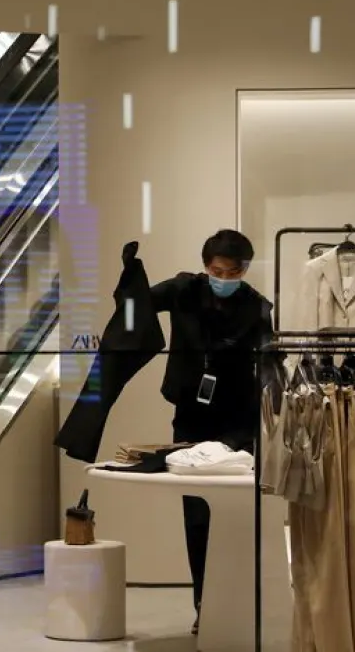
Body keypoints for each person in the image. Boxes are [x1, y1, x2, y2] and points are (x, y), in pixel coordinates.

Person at [149, 229, 275, 633]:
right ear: (206, 266)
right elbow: (135, 305)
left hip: (238, 418)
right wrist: (131, 276)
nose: (224, 278)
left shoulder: (257, 307)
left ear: (244, 270)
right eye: (217, 271)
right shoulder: (184, 290)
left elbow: (270, 364)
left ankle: (237, 603)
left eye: (233, 272)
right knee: (198, 514)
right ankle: (204, 605)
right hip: (192, 414)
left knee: (237, 514)